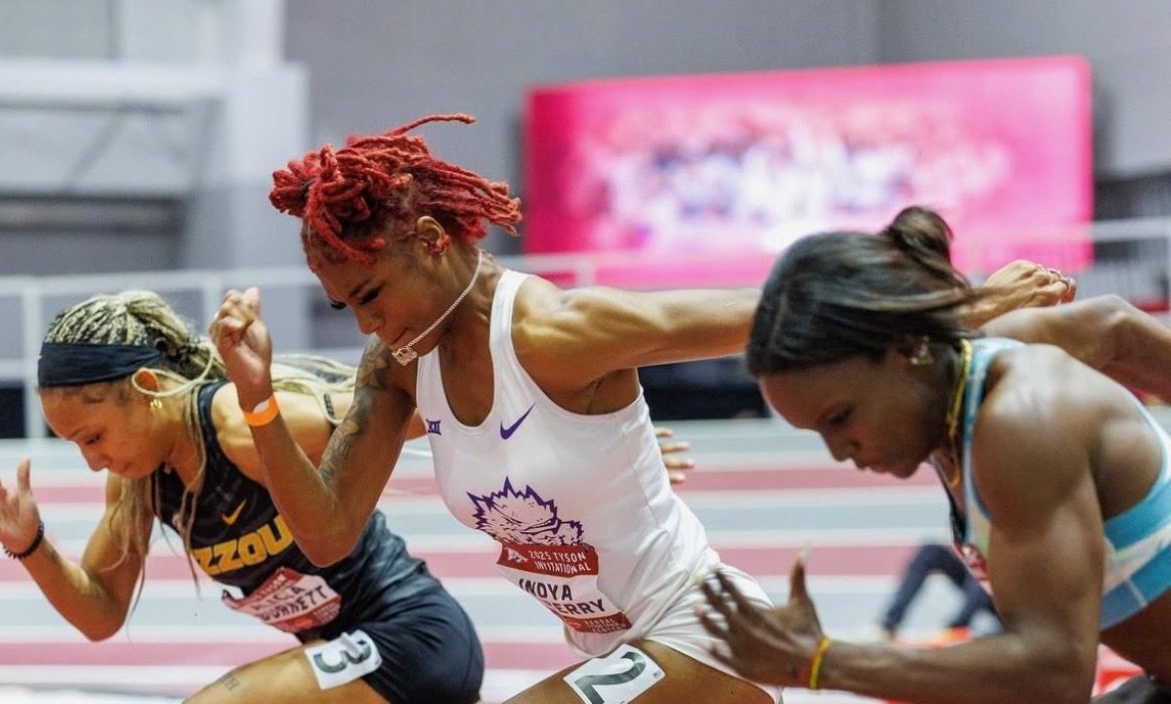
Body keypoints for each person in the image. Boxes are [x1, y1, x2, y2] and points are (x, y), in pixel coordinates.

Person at [208, 114, 1074, 704]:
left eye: (371, 294)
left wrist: (955, 302)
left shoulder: (555, 330)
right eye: (345, 308)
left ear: (433, 244)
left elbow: (766, 305)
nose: (367, 323)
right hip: (616, 656)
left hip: (705, 632)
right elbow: (324, 536)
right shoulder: (396, 368)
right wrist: (257, 399)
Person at [699, 206, 1171, 703]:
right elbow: (1113, 327)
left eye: (840, 418)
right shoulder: (967, 375)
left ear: (905, 350)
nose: (840, 452)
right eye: (819, 433)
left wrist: (820, 661)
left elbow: (1054, 672)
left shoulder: (1021, 420)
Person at [0, 290, 485, 704]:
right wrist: (31, 545)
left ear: (148, 387)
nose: (92, 461)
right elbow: (101, 615)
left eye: (94, 437)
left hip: (414, 641)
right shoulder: (139, 482)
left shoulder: (238, 427)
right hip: (342, 659)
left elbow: (397, 408)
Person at [878, 542, 999, 641]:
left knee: (984, 570)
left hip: (1010, 600)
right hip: (987, 583)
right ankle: (889, 626)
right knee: (930, 553)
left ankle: (956, 630)